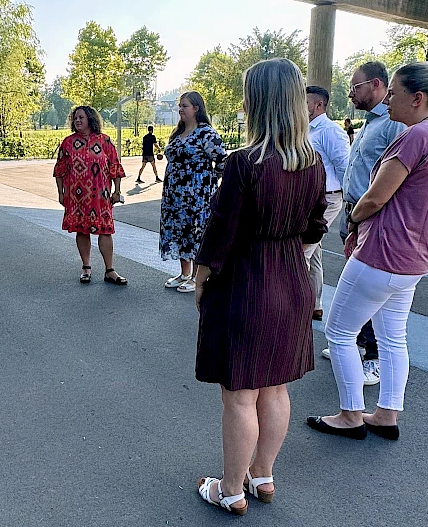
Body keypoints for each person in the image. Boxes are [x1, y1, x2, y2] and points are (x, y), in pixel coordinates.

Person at [307, 61, 428, 441]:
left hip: (384, 252)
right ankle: (386, 413)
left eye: (394, 94)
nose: (390, 102)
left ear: (417, 98)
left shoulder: (414, 137)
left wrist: (353, 221)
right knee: (393, 336)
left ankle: (350, 415)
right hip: (416, 256)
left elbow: (376, 196)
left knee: (339, 331)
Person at [194, 58, 328, 515]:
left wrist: (201, 278)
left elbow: (220, 233)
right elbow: (315, 227)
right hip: (291, 280)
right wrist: (294, 257)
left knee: (240, 394)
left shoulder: (243, 163)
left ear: (258, 102)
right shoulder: (313, 163)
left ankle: (230, 489)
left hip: (246, 282)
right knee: (276, 388)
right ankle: (263, 476)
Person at [321, 61, 405, 387]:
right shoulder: (370, 123)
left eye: (355, 87)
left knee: (370, 289)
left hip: (369, 215)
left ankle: (374, 357)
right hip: (352, 211)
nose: (350, 93)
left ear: (375, 84)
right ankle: (356, 344)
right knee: (357, 286)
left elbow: (393, 181)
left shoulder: (393, 125)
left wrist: (361, 216)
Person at [160, 91, 227, 293]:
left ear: (196, 108)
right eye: (180, 106)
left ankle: (196, 278)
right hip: (174, 194)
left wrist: (208, 181)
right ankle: (184, 273)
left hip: (196, 195)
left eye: (184, 106)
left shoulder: (207, 133)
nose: (180, 109)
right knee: (180, 231)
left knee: (195, 233)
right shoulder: (178, 132)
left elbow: (223, 161)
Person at [54, 106, 127, 285]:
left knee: (105, 230)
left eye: (81, 117)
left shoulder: (105, 141)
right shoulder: (68, 143)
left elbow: (115, 167)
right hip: (76, 196)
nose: (77, 121)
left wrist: (116, 191)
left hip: (101, 196)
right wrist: (61, 193)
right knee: (81, 229)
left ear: (90, 119)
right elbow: (59, 170)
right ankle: (86, 267)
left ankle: (110, 270)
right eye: (75, 118)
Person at [305, 86, 350, 321]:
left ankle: (296, 304)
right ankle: (315, 304)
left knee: (302, 251)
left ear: (319, 105)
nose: (301, 107)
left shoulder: (330, 131)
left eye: (306, 102)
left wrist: (349, 200)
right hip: (311, 197)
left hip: (329, 197)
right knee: (314, 252)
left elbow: (345, 166)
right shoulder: (307, 129)